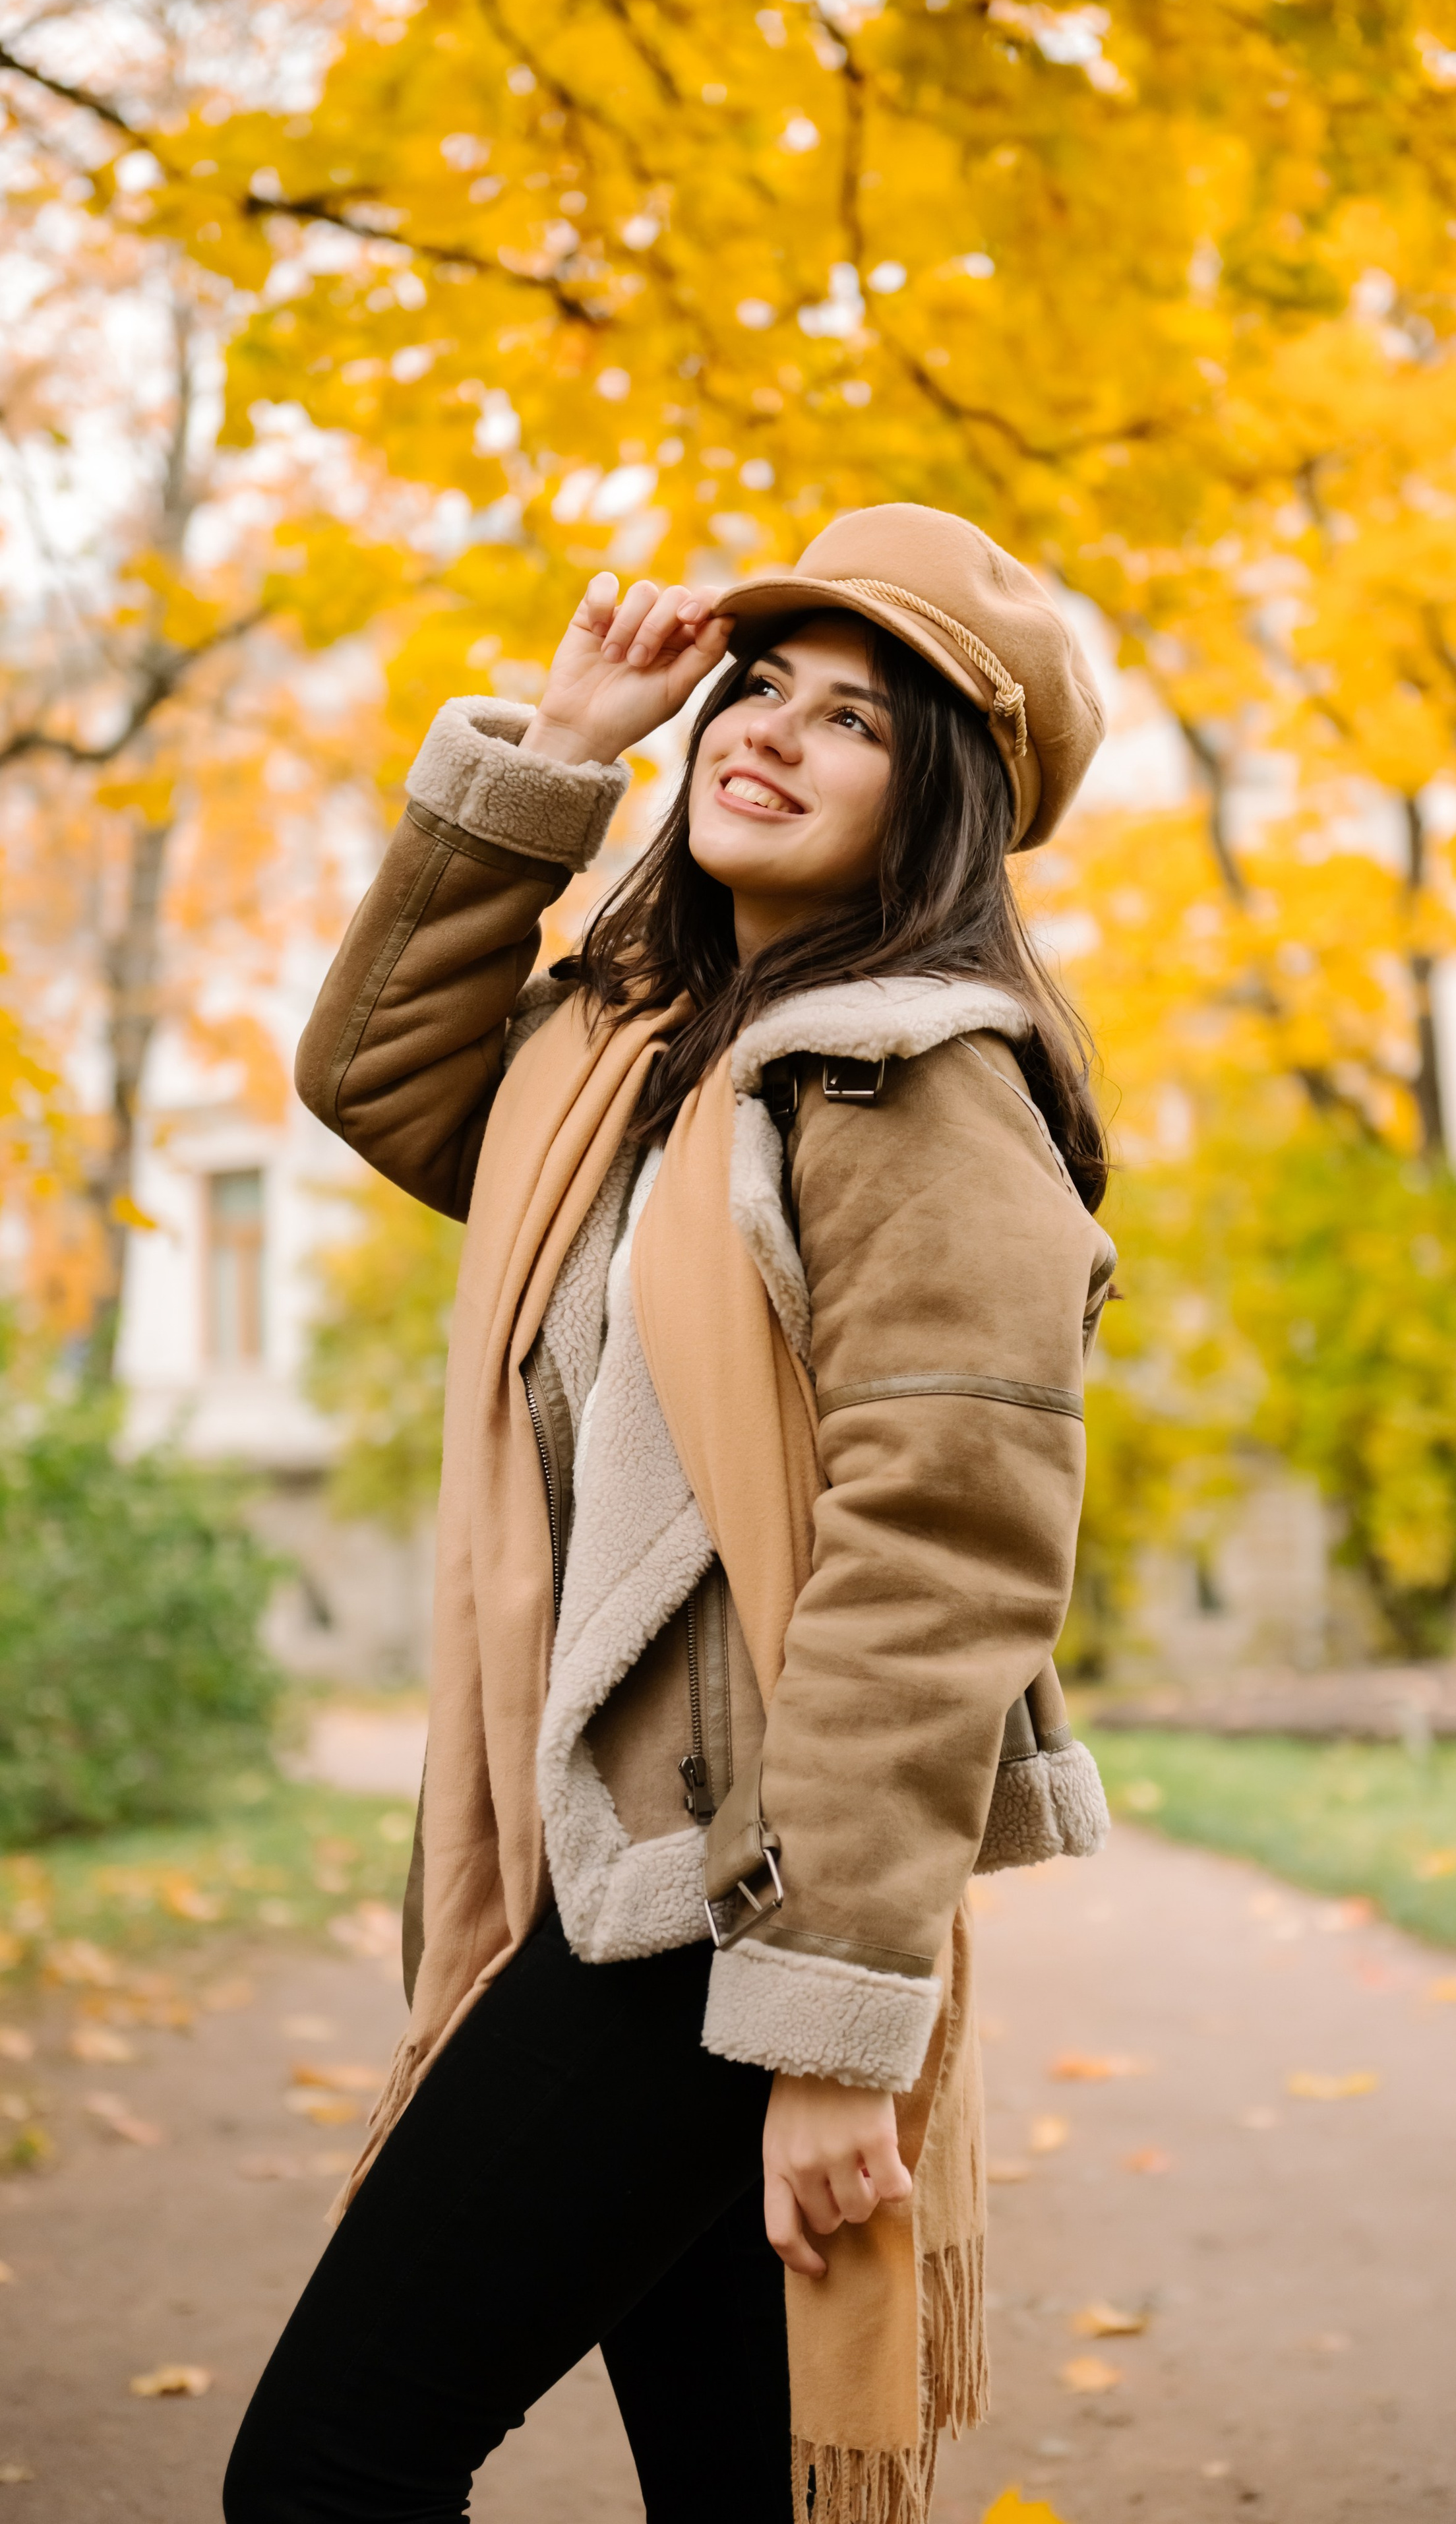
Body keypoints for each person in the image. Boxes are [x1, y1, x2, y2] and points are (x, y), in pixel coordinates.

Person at [224, 503, 1117, 2524]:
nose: (772, 731)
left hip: (715, 1902)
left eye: (854, 718)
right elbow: (380, 1078)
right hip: (618, 1864)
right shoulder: (637, 1057)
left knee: (328, 2469)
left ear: (941, 804)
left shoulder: (918, 1088)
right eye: (760, 686)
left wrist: (833, 2031)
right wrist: (556, 756)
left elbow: (938, 1575)